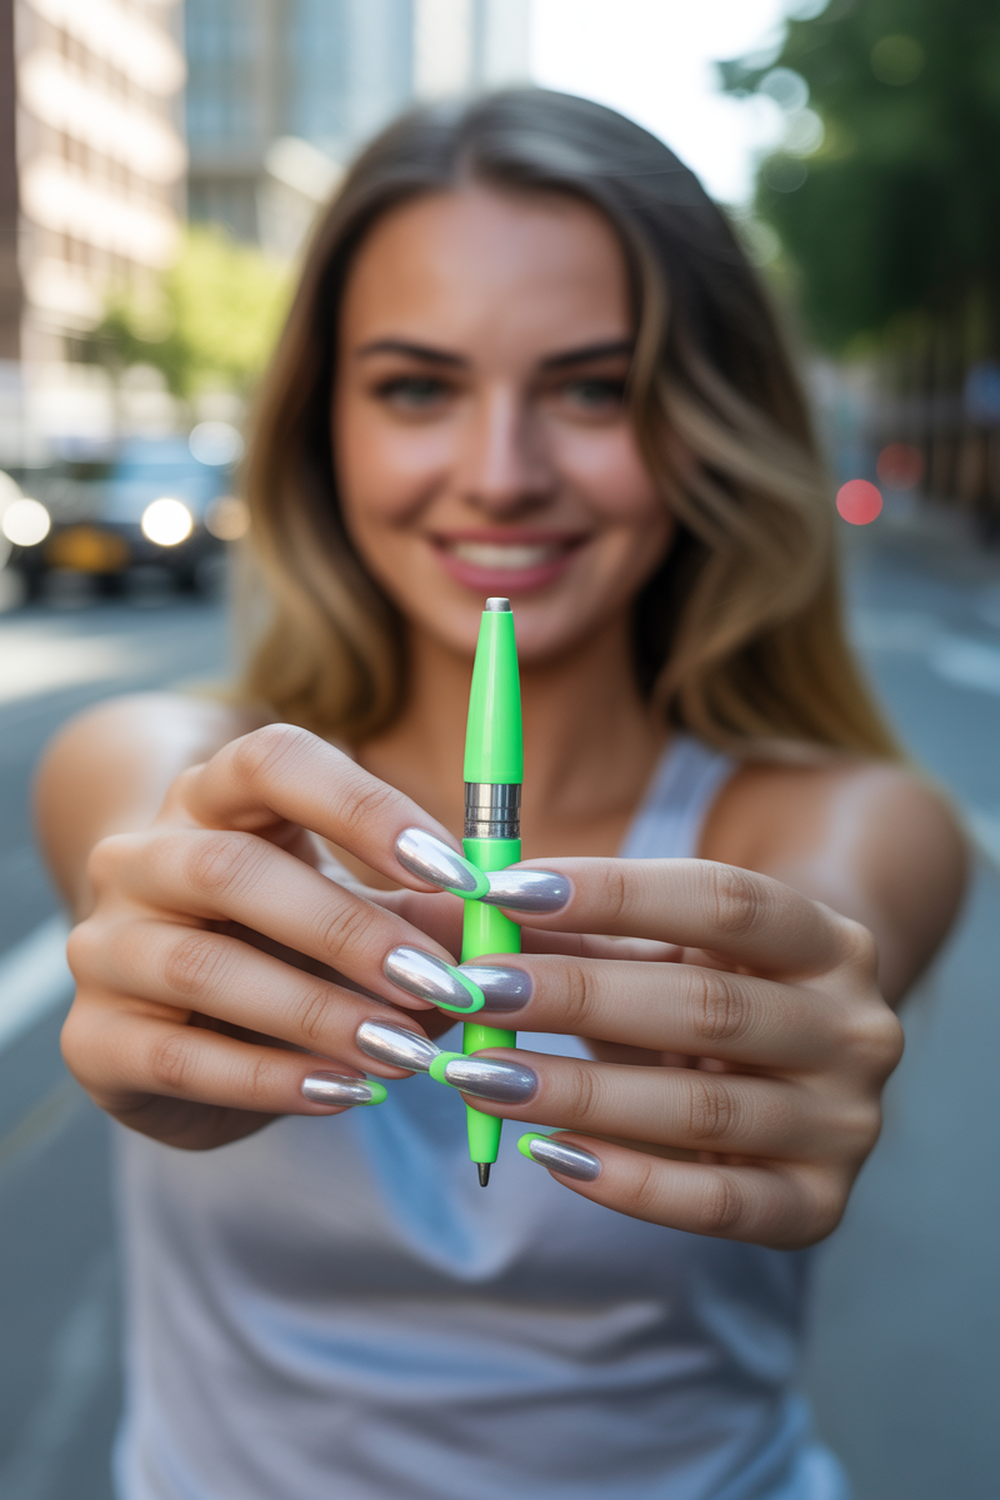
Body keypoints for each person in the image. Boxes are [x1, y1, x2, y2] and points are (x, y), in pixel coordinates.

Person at [36, 90, 965, 1500]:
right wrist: (166, 1016)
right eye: (418, 387)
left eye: (595, 387)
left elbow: (838, 913)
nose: (501, 475)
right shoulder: (165, 770)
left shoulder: (851, 824)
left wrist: (778, 1035)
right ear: (320, 426)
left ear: (708, 423)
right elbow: (132, 826)